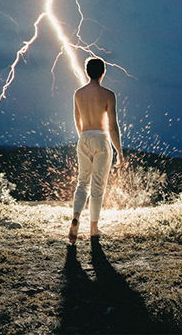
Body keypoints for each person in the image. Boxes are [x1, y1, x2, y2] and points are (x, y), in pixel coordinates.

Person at [68, 57, 124, 244]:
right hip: (101, 139)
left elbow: (77, 121)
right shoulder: (109, 95)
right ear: (103, 72)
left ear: (86, 72)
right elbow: (113, 126)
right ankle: (93, 228)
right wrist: (119, 152)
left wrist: (84, 137)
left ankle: (76, 215)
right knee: (98, 186)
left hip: (83, 138)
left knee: (82, 182)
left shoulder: (78, 94)